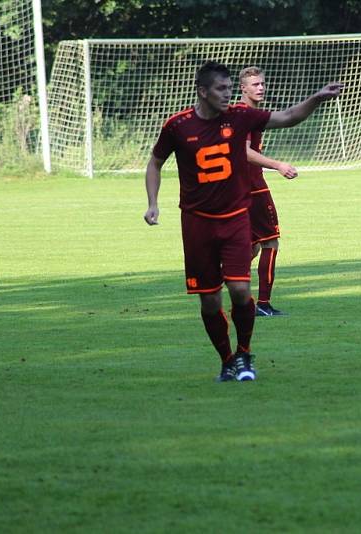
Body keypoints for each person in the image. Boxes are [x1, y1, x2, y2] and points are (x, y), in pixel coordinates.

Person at [144, 61, 342, 382]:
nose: (228, 95)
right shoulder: (178, 126)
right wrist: (153, 203)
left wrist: (316, 98)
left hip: (235, 218)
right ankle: (226, 360)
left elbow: (288, 117)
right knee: (210, 301)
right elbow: (155, 163)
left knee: (238, 289)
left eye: (229, 88)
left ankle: (245, 353)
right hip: (196, 225)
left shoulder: (240, 117)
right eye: (221, 89)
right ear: (203, 92)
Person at [239, 66, 298, 317]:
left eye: (262, 83)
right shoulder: (244, 114)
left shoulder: (248, 113)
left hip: (240, 188)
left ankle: (215, 280)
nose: (260, 88)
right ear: (243, 88)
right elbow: (244, 150)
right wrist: (278, 165)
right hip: (254, 188)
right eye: (255, 84)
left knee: (250, 248)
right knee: (270, 242)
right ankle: (263, 305)